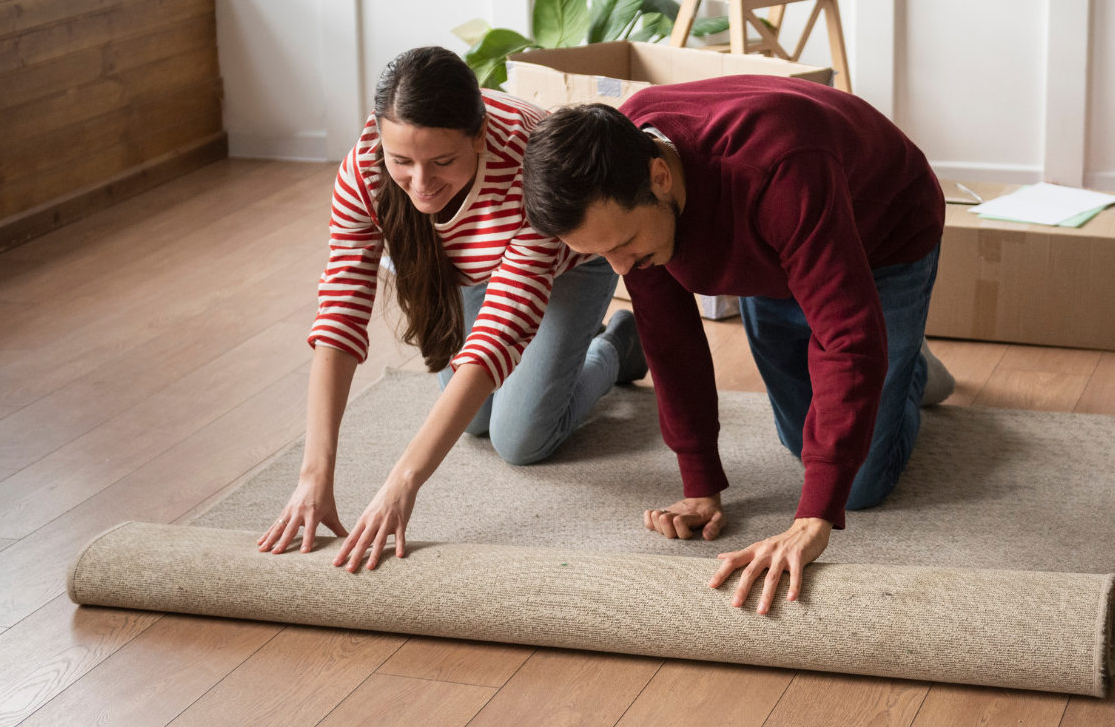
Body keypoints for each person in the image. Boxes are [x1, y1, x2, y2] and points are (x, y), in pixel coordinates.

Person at [520, 74, 947, 615]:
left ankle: (904, 361)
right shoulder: (622, 177)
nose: (621, 269)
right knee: (804, 440)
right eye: (603, 255)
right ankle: (897, 353)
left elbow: (847, 337)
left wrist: (811, 520)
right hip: (773, 247)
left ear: (660, 177)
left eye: (624, 245)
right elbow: (670, 338)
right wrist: (699, 481)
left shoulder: (780, 168)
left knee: (856, 485)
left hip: (885, 232)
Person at [257, 46, 646, 571]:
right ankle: (567, 343)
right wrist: (313, 476)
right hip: (472, 263)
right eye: (403, 162)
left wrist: (402, 485)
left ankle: (615, 345)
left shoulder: (525, 166)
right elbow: (340, 316)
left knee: (519, 438)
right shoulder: (363, 172)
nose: (420, 184)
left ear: (480, 136)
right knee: (474, 421)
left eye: (443, 162)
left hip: (569, 260)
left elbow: (498, 336)